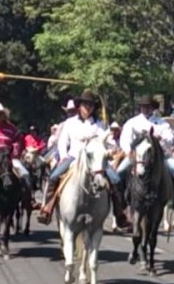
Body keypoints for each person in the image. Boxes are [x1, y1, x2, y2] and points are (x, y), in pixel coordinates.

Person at [37, 90, 129, 228]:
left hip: (95, 160)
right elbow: (62, 142)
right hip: (73, 157)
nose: (88, 108)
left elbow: (109, 142)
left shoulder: (100, 125)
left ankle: (119, 214)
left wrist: (111, 149)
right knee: (54, 176)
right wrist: (63, 156)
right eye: (85, 104)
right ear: (79, 106)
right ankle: (47, 208)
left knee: (115, 179)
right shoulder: (70, 123)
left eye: (91, 105)